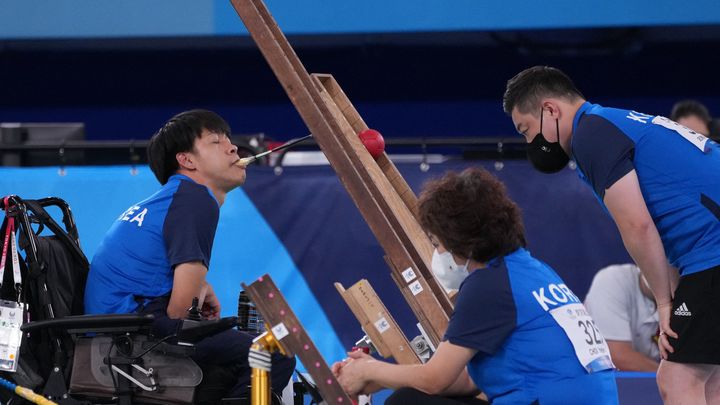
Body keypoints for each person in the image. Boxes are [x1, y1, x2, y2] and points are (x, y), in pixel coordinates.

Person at [503, 66, 720, 404]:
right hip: (707, 254)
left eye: (526, 129)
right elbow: (671, 225)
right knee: (709, 379)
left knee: (679, 379)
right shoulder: (613, 123)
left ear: (550, 110)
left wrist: (664, 303)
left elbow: (638, 225)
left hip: (712, 253)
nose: (530, 142)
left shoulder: (590, 135)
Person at [332, 167, 619, 405]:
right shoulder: (534, 271)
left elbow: (436, 380)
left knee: (407, 402)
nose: (437, 253)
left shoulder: (489, 286)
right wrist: (373, 378)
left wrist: (371, 369)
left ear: (462, 243)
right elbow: (467, 380)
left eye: (437, 243)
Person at [84, 109, 295, 402]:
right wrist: (195, 301)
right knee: (272, 357)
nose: (232, 147)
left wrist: (201, 288)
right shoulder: (196, 199)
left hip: (121, 328)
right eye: (215, 142)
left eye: (229, 140)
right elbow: (178, 312)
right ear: (187, 160)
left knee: (236, 357)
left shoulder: (174, 199)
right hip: (129, 337)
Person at [584, 264, 659, 371]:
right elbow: (616, 355)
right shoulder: (612, 280)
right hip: (610, 381)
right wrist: (675, 380)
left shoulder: (687, 290)